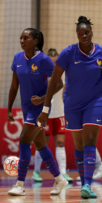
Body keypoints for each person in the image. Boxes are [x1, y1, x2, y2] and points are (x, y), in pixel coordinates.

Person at [37, 16, 102, 199]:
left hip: (95, 102)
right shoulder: (68, 53)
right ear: (77, 34)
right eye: (80, 33)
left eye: (87, 32)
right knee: (79, 144)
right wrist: (45, 108)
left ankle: (87, 185)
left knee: (90, 139)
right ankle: (84, 182)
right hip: (72, 104)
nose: (84, 35)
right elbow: (54, 82)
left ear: (92, 33)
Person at [7, 28, 68, 196]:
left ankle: (19, 184)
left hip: (39, 110)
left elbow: (58, 84)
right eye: (20, 38)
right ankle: (59, 179)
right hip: (26, 108)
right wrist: (9, 108)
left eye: (26, 38)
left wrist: (42, 99)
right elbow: (14, 86)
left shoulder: (44, 60)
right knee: (41, 145)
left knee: (24, 140)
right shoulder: (18, 58)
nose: (22, 40)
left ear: (35, 41)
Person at [32, 48, 73, 183]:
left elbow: (67, 91)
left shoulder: (64, 74)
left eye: (56, 62)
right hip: (46, 113)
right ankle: (36, 172)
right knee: (41, 143)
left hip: (60, 113)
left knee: (61, 142)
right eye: (52, 62)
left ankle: (63, 173)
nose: (54, 65)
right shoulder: (42, 74)